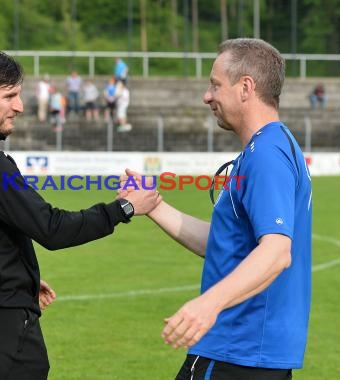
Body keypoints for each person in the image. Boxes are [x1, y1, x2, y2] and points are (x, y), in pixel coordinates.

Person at [0, 48, 159, 380]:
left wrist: (20, 278)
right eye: (9, 96)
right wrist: (124, 207)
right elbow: (52, 228)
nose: (20, 106)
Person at [121, 38, 312, 380]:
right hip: (252, 354)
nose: (207, 96)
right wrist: (156, 205)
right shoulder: (267, 149)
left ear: (245, 87)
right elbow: (225, 244)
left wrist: (208, 304)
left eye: (214, 85)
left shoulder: (267, 155)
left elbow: (277, 252)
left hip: (235, 350)